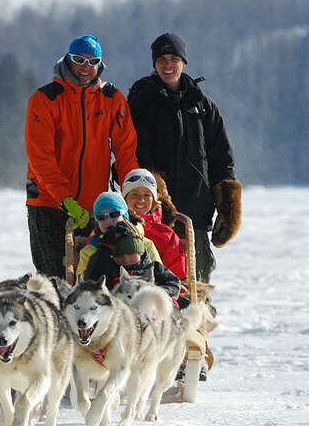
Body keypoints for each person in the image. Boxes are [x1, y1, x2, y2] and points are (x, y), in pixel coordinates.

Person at [126, 33, 241, 284]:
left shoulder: (202, 106)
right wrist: (156, 195)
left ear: (184, 62)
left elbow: (221, 158)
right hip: (154, 216)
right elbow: (131, 155)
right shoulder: (141, 101)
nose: (168, 65)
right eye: (162, 59)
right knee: (156, 290)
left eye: (174, 59)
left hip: (196, 211)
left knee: (197, 288)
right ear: (154, 63)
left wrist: (228, 205)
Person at [25, 34, 140, 278]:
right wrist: (65, 200)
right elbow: (40, 159)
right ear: (68, 60)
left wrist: (132, 193)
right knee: (54, 278)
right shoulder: (45, 99)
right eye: (79, 60)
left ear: (100, 64)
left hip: (97, 207)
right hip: (49, 204)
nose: (86, 67)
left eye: (93, 61)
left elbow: (126, 151)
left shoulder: (111, 98)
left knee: (95, 277)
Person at [119, 168, 187, 283]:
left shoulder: (167, 236)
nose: (141, 200)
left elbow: (176, 277)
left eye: (147, 195)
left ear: (154, 201)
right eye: (135, 194)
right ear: (125, 198)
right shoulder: (113, 227)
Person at [75, 191, 160, 283]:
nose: (108, 220)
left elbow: (160, 278)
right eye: (101, 217)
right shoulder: (89, 251)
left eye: (114, 214)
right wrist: (104, 250)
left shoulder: (146, 245)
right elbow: (84, 288)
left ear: (124, 217)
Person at [80, 223, 182, 297]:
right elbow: (91, 283)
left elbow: (173, 283)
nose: (126, 259)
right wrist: (104, 251)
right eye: (120, 256)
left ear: (140, 253)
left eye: (131, 254)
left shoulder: (153, 267)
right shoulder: (108, 270)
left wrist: (157, 293)